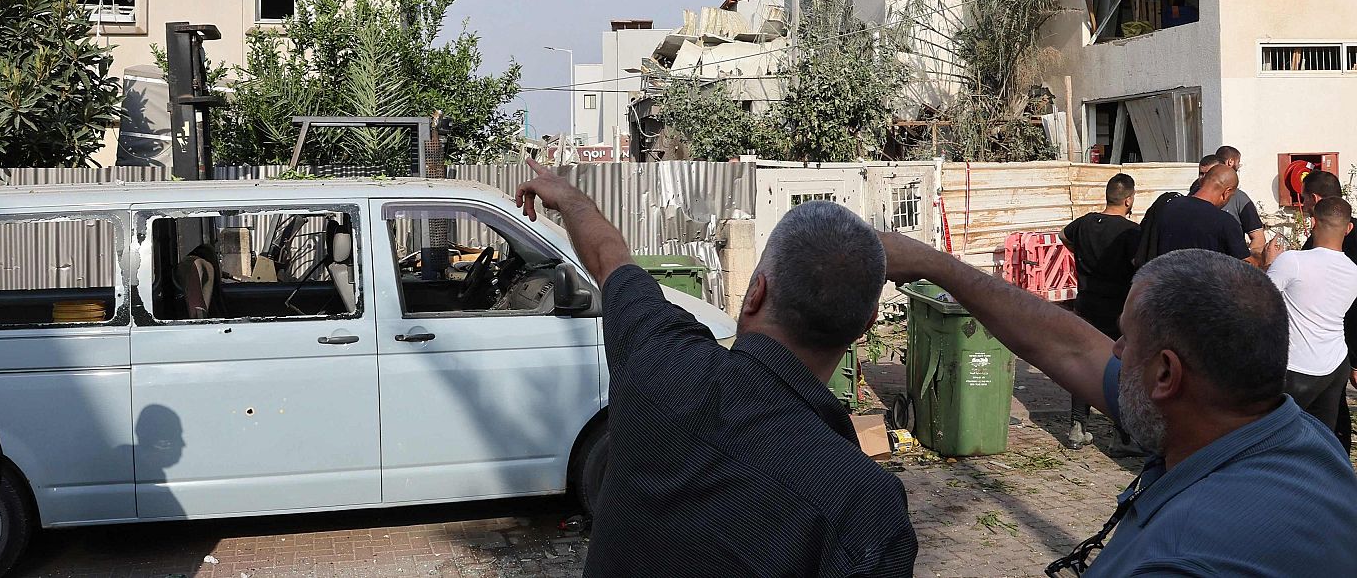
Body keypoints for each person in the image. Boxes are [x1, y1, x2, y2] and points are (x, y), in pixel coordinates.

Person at [513, 159, 916, 578]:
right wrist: (937, 266)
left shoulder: (659, 357)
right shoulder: (866, 507)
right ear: (866, 327)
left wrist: (569, 197)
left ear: (754, 293)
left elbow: (609, 259)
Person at [877, 232, 1357, 575]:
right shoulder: (1297, 440)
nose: (1115, 350)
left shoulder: (1184, 559)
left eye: (1127, 338)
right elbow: (1070, 347)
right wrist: (936, 265)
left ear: (1166, 374)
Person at [1060, 174, 1139, 451]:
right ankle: (1123, 436)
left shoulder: (1086, 223)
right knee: (1120, 368)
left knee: (1082, 363)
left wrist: (1080, 254)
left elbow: (1062, 235)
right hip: (1116, 308)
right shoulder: (1131, 232)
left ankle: (1077, 426)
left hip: (1086, 303)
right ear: (1129, 199)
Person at [1267, 197, 1357, 435]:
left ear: (1313, 222)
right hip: (1335, 364)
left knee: (1274, 436)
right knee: (1320, 438)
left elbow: (1258, 303)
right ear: (1348, 228)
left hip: (1296, 366)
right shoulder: (1354, 271)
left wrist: (1268, 264)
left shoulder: (1292, 261)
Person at [1298, 168, 1357, 449]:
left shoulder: (1322, 241)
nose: (1304, 208)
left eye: (1305, 200)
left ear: (1315, 198)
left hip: (1331, 347)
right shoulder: (1341, 231)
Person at [1155, 166, 1281, 264]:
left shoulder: (1167, 207)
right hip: (1203, 294)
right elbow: (1245, 267)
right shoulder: (1224, 222)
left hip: (1165, 289)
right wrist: (1265, 259)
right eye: (1230, 197)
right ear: (1226, 193)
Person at [1191, 146, 1267, 257]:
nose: (1204, 178)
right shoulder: (1191, 196)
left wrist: (1245, 259)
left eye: (1209, 174)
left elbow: (1258, 238)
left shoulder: (1240, 198)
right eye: (1201, 174)